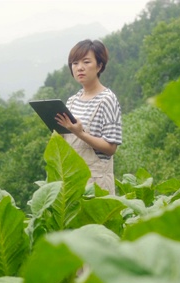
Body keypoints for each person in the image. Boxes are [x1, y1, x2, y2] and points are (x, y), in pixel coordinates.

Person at [55, 39, 122, 195]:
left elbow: (111, 148)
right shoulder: (72, 101)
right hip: (73, 180)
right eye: (75, 63)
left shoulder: (107, 99)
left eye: (86, 62)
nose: (80, 68)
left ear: (99, 66)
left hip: (97, 183)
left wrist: (81, 134)